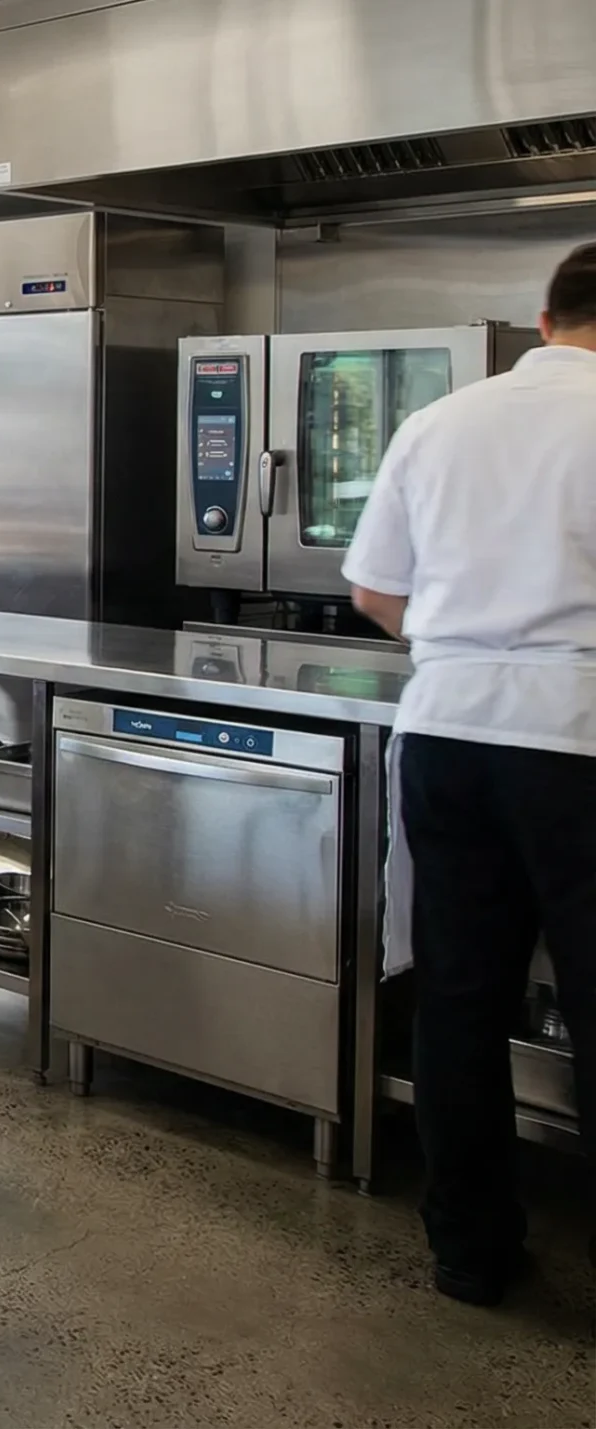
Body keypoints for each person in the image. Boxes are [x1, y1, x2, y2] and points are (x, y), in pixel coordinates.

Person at [344, 241, 596, 1308]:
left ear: (545, 318)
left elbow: (373, 592)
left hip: (446, 734)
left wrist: (467, 642)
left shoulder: (436, 420)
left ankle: (469, 1253)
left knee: (457, 1000)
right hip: (579, 740)